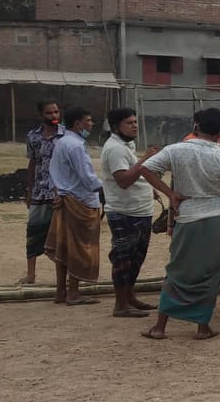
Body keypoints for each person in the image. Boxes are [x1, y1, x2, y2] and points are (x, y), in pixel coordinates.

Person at [138, 107, 220, 340]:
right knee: (209, 272)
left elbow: (146, 168)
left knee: (177, 270)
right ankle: (202, 327)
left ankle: (160, 327)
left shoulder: (176, 150)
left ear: (195, 126)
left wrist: (170, 194)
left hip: (188, 217)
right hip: (215, 218)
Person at [100, 107, 159, 317]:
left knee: (137, 257)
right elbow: (123, 180)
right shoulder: (114, 148)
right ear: (117, 127)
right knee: (123, 257)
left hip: (140, 210)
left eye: (135, 121)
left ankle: (129, 296)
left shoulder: (127, 145)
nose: (134, 125)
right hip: (124, 211)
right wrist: (145, 159)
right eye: (129, 122)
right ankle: (120, 304)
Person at [44, 105, 104, 305]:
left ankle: (61, 290)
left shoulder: (61, 142)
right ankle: (73, 292)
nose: (91, 124)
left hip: (65, 198)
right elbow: (87, 178)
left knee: (64, 247)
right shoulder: (75, 146)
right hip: (80, 201)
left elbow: (52, 171)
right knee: (78, 248)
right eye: (88, 120)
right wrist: (106, 188)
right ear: (78, 123)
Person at [22, 99, 61, 285]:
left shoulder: (65, 136)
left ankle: (63, 277)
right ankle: (31, 275)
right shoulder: (33, 137)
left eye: (56, 112)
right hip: (38, 192)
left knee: (59, 237)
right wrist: (29, 190)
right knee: (33, 232)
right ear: (41, 115)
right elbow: (32, 163)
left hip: (59, 193)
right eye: (49, 113)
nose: (54, 116)